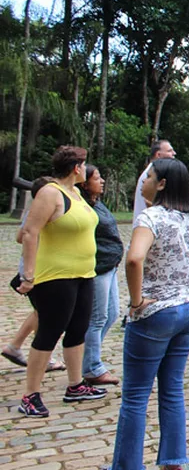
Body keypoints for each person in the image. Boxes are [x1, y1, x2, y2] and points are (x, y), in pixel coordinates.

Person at [109, 158, 189, 470]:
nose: (144, 182)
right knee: (172, 388)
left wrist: (136, 301)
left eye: (148, 176)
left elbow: (134, 259)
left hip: (156, 313)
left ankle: (127, 465)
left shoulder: (150, 218)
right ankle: (173, 459)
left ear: (162, 183)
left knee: (136, 396)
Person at [17, 146, 104, 418]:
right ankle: (30, 394)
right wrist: (28, 275)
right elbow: (29, 233)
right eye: (84, 165)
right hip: (56, 276)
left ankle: (75, 384)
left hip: (83, 274)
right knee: (50, 332)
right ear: (76, 167)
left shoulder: (75, 192)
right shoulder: (50, 193)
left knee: (78, 329)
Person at [3, 177, 66, 373]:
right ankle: (42, 357)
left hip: (42, 269)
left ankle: (14, 347)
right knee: (46, 315)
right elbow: (22, 237)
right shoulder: (40, 210)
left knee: (41, 313)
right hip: (39, 271)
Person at [77, 164, 125, 386]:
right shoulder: (83, 206)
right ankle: (92, 367)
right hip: (97, 268)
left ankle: (86, 356)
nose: (102, 181)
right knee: (97, 318)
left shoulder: (98, 202)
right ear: (85, 183)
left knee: (112, 314)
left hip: (109, 266)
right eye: (97, 178)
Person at [133, 139, 176, 226]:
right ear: (158, 155)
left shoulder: (151, 173)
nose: (174, 153)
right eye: (169, 151)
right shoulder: (153, 176)